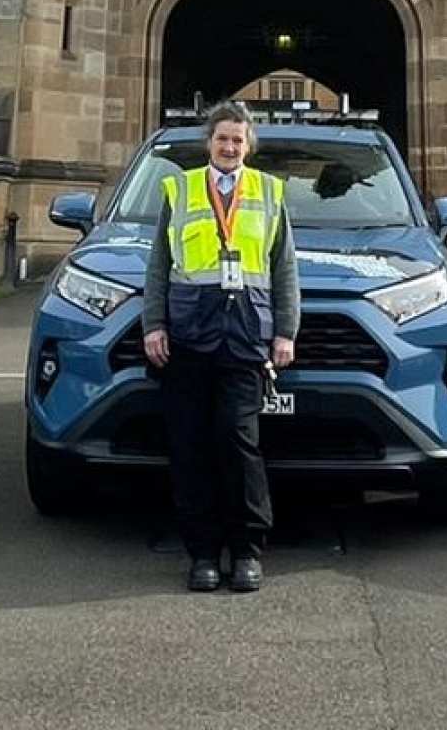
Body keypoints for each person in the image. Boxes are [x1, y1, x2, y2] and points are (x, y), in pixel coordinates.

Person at [140, 100, 299, 594]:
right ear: (209, 142)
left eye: (237, 139)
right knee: (190, 447)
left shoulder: (270, 193)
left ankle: (247, 550)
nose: (229, 147)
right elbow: (158, 265)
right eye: (222, 138)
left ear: (248, 145)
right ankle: (203, 554)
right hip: (188, 333)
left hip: (245, 334)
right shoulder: (181, 189)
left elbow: (284, 268)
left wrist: (286, 331)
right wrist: (154, 324)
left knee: (237, 440)